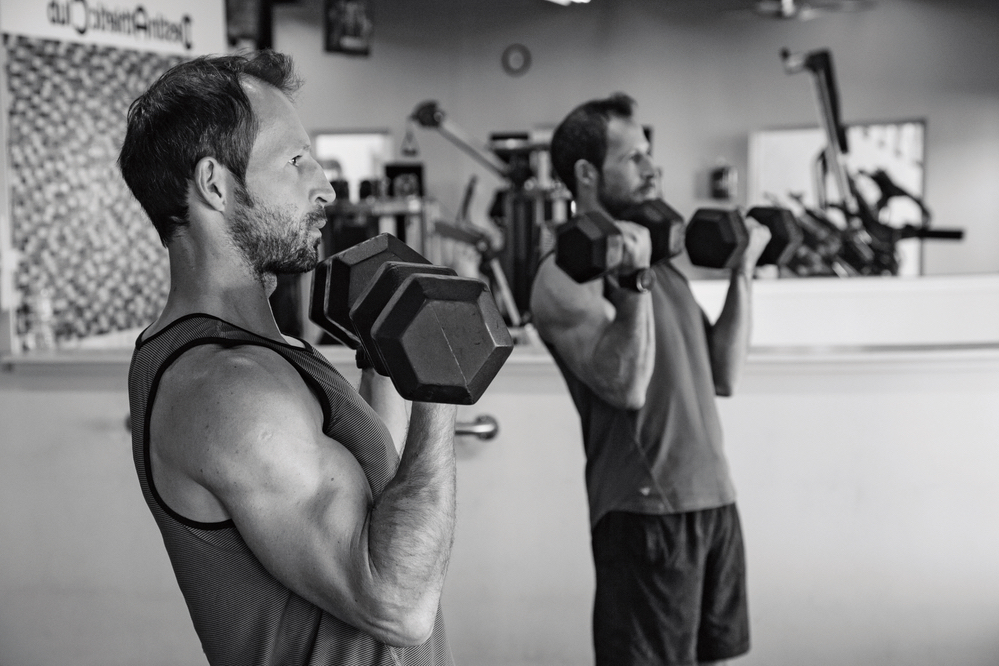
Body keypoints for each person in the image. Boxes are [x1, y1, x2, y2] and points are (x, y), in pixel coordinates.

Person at [118, 51, 456, 665]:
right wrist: (441, 383)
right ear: (215, 185)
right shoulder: (226, 389)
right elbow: (399, 606)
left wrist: (385, 356)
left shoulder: (269, 352)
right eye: (296, 161)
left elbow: (371, 486)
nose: (324, 185)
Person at [529, 93, 770, 666]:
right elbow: (625, 386)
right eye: (634, 156)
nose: (652, 168)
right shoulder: (563, 277)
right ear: (587, 174)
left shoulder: (663, 263)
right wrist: (633, 283)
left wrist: (743, 272)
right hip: (643, 512)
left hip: (714, 501)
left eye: (649, 154)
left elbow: (725, 374)